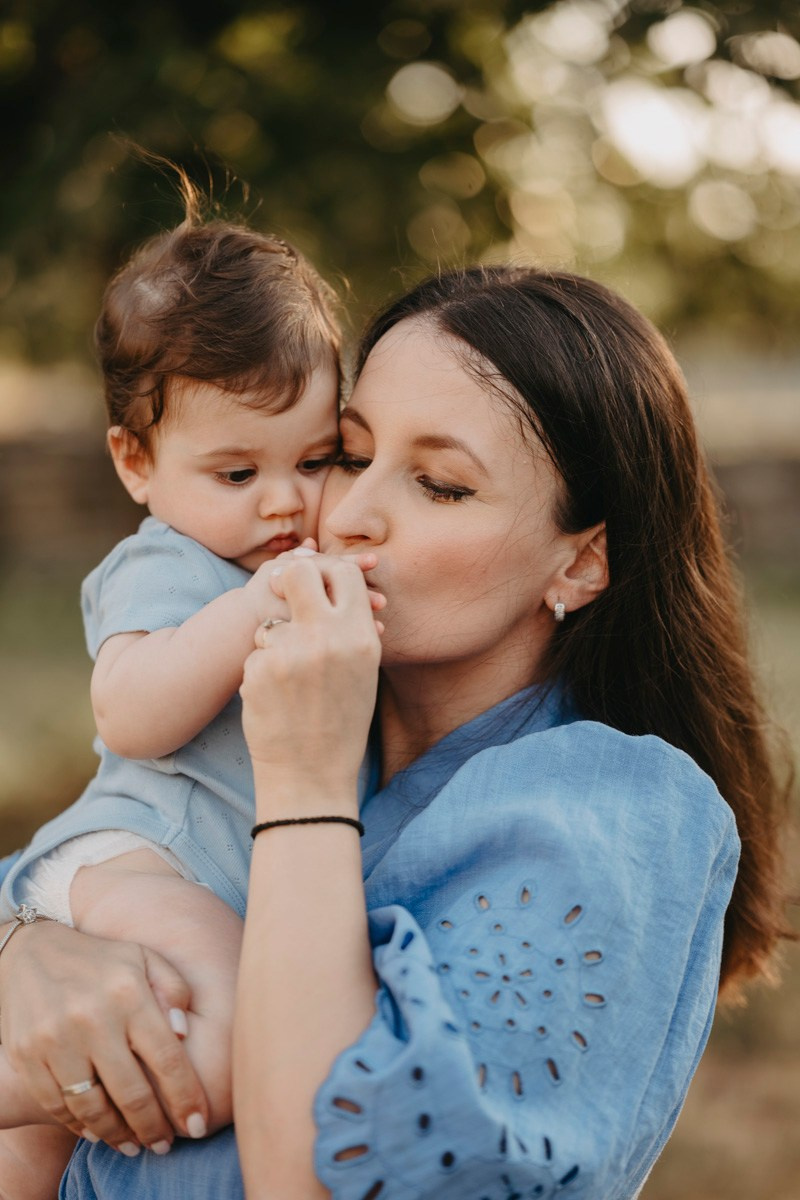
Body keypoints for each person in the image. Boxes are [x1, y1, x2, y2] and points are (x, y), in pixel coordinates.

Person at [0, 267, 790, 1199]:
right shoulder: (252, 700)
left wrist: (305, 782)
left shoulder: (622, 811)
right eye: (347, 454)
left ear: (579, 561)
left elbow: (319, 1175)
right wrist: (25, 947)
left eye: (441, 485)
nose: (347, 518)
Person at [0, 184, 381, 1198]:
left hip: (191, 875)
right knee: (212, 1057)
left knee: (33, 1146)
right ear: (136, 462)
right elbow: (129, 709)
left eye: (316, 458)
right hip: (134, 859)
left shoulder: (285, 557)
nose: (284, 500)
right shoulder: (166, 566)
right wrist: (252, 606)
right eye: (233, 472)